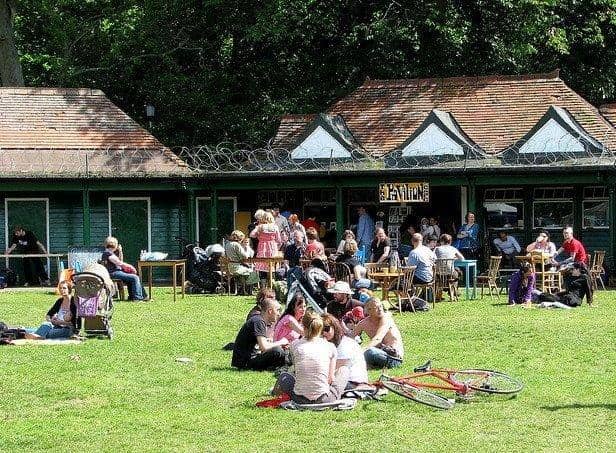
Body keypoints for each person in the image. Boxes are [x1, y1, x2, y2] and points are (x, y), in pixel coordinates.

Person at [278, 311, 349, 403]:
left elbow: (297, 370)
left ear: (303, 326)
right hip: (324, 399)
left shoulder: (294, 345)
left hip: (299, 399)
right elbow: (330, 378)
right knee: (344, 370)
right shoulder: (330, 346)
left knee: (284, 377)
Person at [232, 297, 288, 371]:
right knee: (277, 351)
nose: (279, 314)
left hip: (245, 360)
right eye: (277, 310)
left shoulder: (258, 320)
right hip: (246, 362)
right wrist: (281, 342)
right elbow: (264, 347)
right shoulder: (258, 321)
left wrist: (268, 341)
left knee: (279, 350)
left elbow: (258, 343)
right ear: (270, 311)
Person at [353, 298, 404, 369]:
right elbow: (349, 337)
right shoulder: (363, 323)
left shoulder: (386, 318)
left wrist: (363, 350)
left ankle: (366, 364)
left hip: (394, 358)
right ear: (368, 311)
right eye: (376, 307)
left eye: (380, 306)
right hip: (379, 353)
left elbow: (378, 339)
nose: (380, 309)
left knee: (370, 352)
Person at [322, 314, 369, 389]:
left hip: (353, 382)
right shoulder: (327, 345)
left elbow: (338, 367)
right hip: (342, 380)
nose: (324, 333)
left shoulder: (345, 344)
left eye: (326, 329)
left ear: (334, 327)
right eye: (320, 330)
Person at [101, 236, 146, 301]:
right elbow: (119, 263)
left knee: (132, 278)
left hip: (114, 272)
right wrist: (130, 267)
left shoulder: (107, 252)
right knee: (135, 278)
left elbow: (119, 261)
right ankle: (137, 298)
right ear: (115, 245)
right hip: (113, 273)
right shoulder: (108, 253)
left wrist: (120, 251)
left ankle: (134, 296)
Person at [249, 211, 282, 281]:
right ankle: (272, 284)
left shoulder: (260, 227)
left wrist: (258, 234)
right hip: (272, 247)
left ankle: (263, 285)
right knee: (272, 265)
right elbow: (279, 240)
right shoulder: (275, 227)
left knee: (262, 264)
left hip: (262, 247)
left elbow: (251, 235)